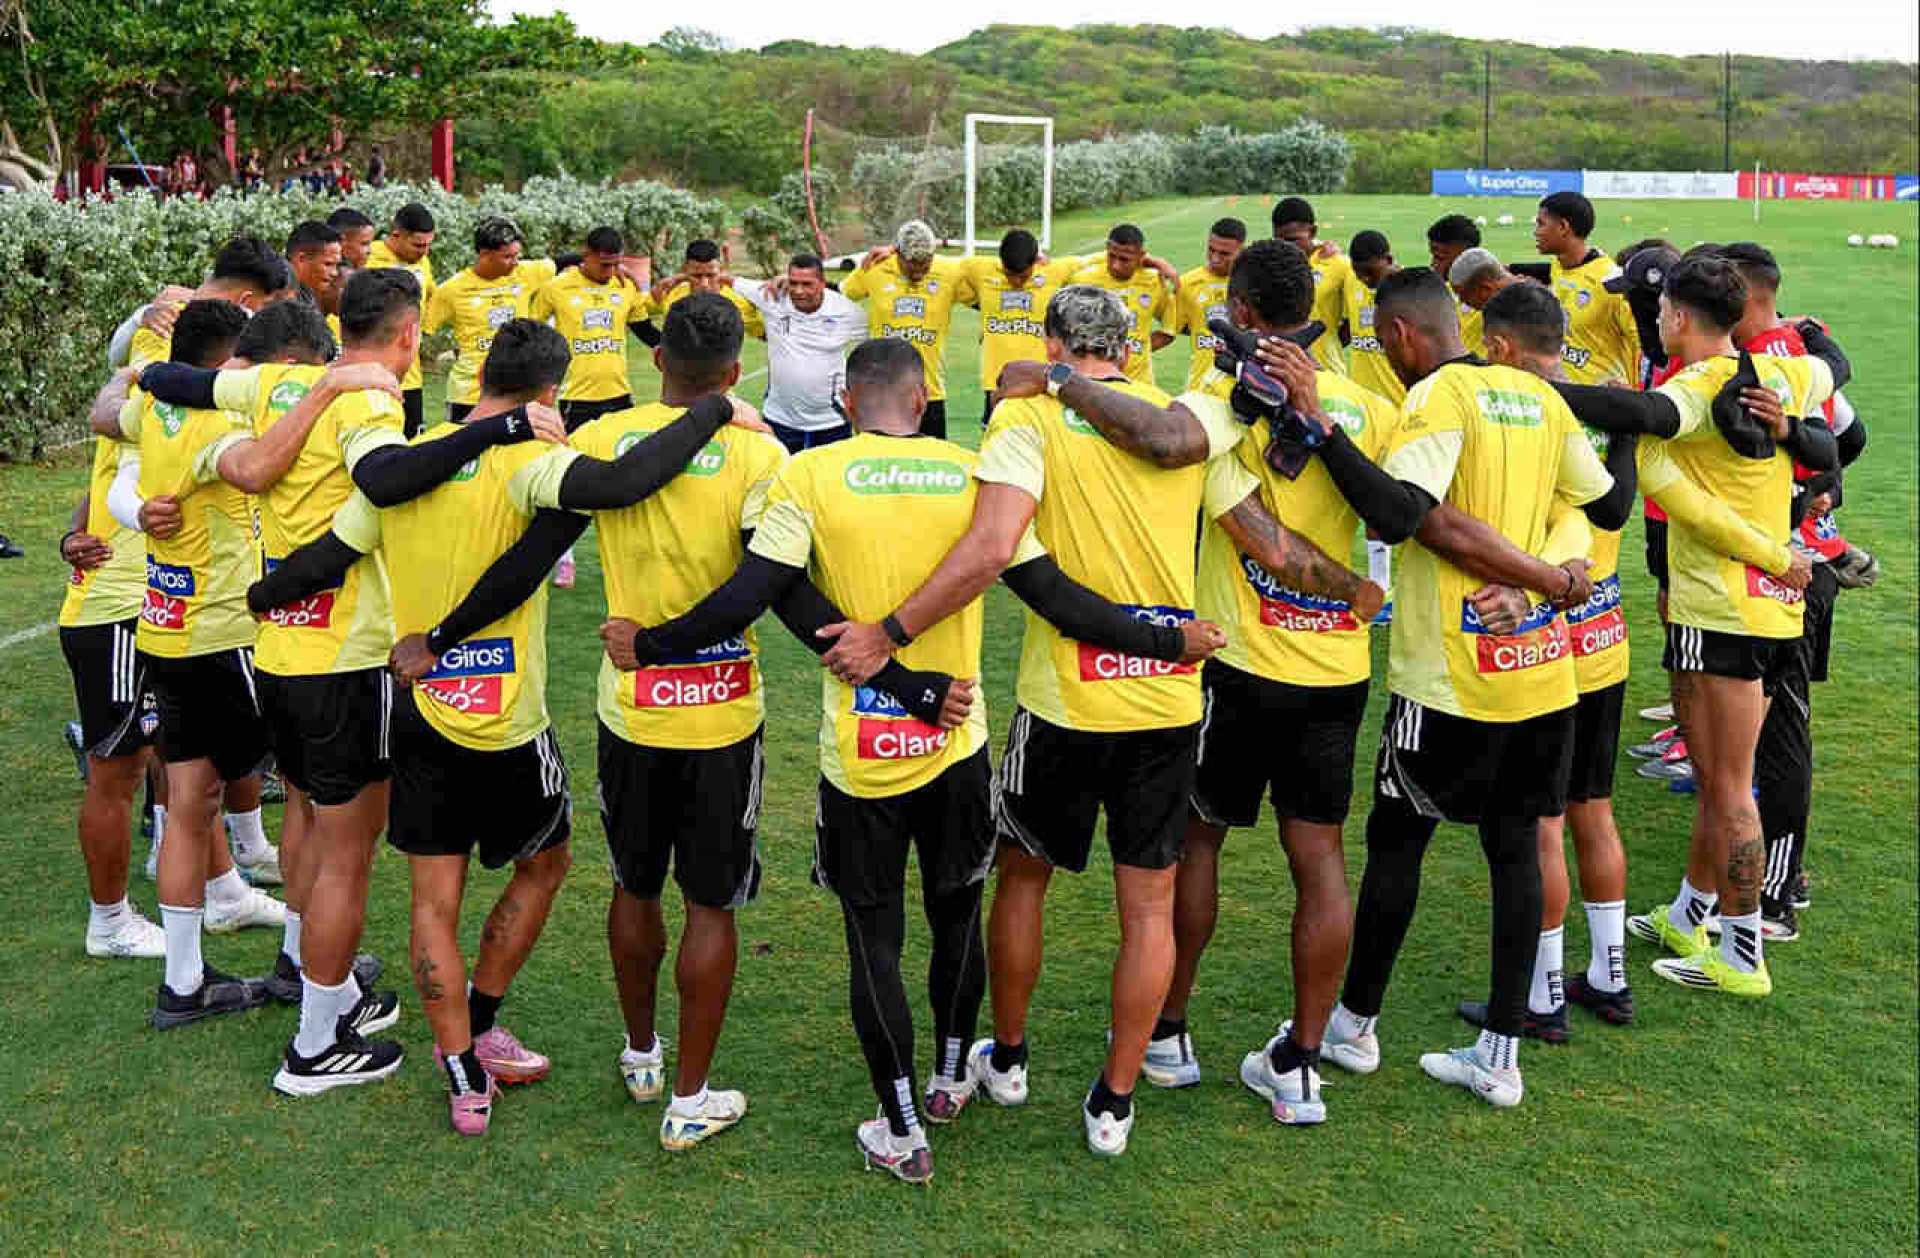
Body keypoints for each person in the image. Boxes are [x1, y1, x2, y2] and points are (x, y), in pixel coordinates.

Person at [604, 334, 1226, 1179]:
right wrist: (1165, 637)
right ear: (925, 393)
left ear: (846, 404)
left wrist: (654, 642)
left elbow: (764, 590)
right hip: (956, 748)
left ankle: (900, 1125)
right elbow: (1051, 594)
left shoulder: (807, 475)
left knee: (876, 939)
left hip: (860, 760)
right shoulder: (974, 472)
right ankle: (948, 1075)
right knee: (957, 915)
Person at [817, 286, 1360, 1157]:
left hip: (1063, 702)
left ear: (1053, 342)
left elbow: (996, 549)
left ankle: (1014, 1056)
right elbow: (1271, 544)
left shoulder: (1026, 415)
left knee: (1023, 879)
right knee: (1146, 907)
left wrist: (891, 633)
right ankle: (1115, 1099)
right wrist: (1353, 590)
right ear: (1135, 346)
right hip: (1168, 700)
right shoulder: (1187, 421)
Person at [254, 316, 774, 1133]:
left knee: (434, 900)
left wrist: (259, 598)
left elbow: (327, 556)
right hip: (509, 724)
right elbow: (623, 483)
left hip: (422, 713)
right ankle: (484, 1019)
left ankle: (463, 1072)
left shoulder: (411, 459)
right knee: (546, 863)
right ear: (547, 393)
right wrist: (712, 413)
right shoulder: (534, 462)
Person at [135, 268, 566, 1093]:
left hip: (282, 656)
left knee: (304, 818)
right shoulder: (368, 401)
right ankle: (315, 1047)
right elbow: (385, 483)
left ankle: (309, 976)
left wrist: (146, 355)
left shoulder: (264, 384)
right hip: (349, 657)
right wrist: (498, 430)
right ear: (408, 336)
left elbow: (165, 379)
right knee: (345, 859)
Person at [1263, 266, 1632, 1109]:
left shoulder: (1441, 396)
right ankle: (1501, 1053)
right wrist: (1553, 577)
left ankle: (1355, 1025)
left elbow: (1402, 512)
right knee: (1515, 850)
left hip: (1448, 681)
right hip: (1541, 674)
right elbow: (1603, 506)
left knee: (1398, 846)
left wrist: (1322, 429)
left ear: (1397, 338)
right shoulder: (1546, 400)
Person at [1545, 255, 1843, 998]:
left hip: (1726, 610)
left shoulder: (1698, 384)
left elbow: (1653, 423)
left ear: (1679, 316)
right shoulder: (1788, 374)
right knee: (1719, 782)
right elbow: (1833, 387)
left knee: (1730, 789)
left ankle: (1741, 955)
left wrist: (1550, 388)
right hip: (1766, 612)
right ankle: (1691, 914)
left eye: (1664, 312)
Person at [1146, 239, 1391, 1124]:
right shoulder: (1364, 404)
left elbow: (1263, 541)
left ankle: (1168, 1034)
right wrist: (1357, 595)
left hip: (1239, 668)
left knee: (1196, 845)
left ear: (1240, 310)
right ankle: (1302, 1062)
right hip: (1337, 672)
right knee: (1319, 859)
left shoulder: (1215, 405)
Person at [104, 300, 289, 1029]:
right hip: (223, 637)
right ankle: (309, 969)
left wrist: (137, 373)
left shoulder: (154, 412)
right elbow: (253, 471)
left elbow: (104, 410)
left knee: (186, 807)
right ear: (225, 364)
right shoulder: (222, 423)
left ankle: (185, 982)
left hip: (165, 631)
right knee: (310, 792)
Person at [1723, 242, 1869, 936]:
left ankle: (1780, 893)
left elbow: (1838, 448)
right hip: (1795, 562)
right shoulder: (1802, 356)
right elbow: (1853, 436)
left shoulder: (1770, 365)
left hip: (1789, 575)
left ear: (1744, 296)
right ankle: (1782, 876)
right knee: (1772, 729)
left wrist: (1805, 487)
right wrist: (1819, 481)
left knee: (1782, 734)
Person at [59, 419, 164, 959]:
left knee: (161, 750)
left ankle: (178, 867)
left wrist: (72, 532)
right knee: (115, 773)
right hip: (115, 617)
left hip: (139, 611)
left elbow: (97, 483)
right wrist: (73, 538)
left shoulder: (143, 402)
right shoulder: (140, 399)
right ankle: (109, 922)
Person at [424, 216, 563, 426]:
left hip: (517, 391)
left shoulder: (525, 273)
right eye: (507, 257)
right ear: (485, 255)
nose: (515, 262)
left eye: (518, 255)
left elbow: (564, 262)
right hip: (468, 395)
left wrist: (623, 265)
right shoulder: (452, 290)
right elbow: (424, 331)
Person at [731, 254, 869, 453]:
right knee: (781, 477)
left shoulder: (847, 312)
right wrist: (678, 279)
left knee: (827, 481)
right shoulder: (772, 296)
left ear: (822, 283)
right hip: (780, 418)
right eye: (793, 283)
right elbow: (728, 280)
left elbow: (879, 332)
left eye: (807, 284)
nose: (798, 291)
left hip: (830, 420)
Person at [840, 221, 963, 439]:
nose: (919, 270)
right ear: (897, 253)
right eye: (912, 264)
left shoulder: (949, 271)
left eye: (925, 264)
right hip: (880, 392)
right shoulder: (875, 268)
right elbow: (838, 295)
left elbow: (991, 270)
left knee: (932, 466)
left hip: (928, 393)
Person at [527, 226, 653, 434]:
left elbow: (645, 330)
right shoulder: (556, 288)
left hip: (619, 394)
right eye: (605, 265)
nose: (611, 272)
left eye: (616, 265)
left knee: (621, 461)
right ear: (586, 255)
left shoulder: (624, 286)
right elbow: (531, 332)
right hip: (575, 397)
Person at [953, 229, 1081, 424]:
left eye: (1022, 276)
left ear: (1035, 262)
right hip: (996, 382)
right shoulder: (981, 270)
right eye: (1009, 274)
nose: (1016, 282)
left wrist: (1144, 258)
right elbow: (939, 264)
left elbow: (1093, 261)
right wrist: (894, 251)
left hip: (1040, 380)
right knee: (995, 444)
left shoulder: (1053, 272)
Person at [1532, 190, 1640, 386]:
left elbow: (1646, 345)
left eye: (1541, 224)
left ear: (1563, 227)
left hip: (1604, 403)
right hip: (1565, 396)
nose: (1535, 231)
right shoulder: (1559, 266)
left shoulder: (1610, 282)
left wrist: (1637, 393)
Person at [1067, 224, 1177, 386]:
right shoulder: (1082, 281)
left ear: (1141, 256)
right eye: (1112, 256)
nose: (1115, 265)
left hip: (1140, 383)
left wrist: (1138, 350)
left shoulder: (1154, 282)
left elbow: (1168, 330)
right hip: (1095, 382)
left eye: (1124, 259)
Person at [367, 203, 437, 437]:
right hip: (372, 373)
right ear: (396, 235)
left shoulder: (423, 262)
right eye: (418, 245)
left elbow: (430, 299)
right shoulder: (370, 256)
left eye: (428, 244)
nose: (424, 251)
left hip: (410, 377)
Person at [1270, 196, 1351, 373]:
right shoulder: (1268, 264)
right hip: (1280, 373)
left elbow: (1354, 320)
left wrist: (1328, 342)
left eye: (1293, 240)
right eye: (1280, 240)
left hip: (1328, 373)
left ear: (1313, 232)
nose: (1286, 247)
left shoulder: (1338, 265)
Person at [1170, 218, 1247, 391]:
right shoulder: (1187, 283)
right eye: (1211, 250)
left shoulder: (1253, 282)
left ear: (1241, 251)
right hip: (1200, 387)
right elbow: (1174, 327)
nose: (1215, 258)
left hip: (1243, 388)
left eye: (1224, 254)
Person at [645, 239, 765, 342]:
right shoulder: (671, 295)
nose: (704, 284)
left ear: (721, 269)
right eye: (697, 276)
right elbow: (641, 313)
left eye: (711, 275)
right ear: (685, 270)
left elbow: (767, 335)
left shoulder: (740, 302)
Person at [1427, 214, 1485, 354]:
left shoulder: (1496, 296)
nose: (1433, 265)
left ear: (1464, 255)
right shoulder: (1440, 292)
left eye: (1439, 257)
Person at [286, 220, 343, 306]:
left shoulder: (306, 294)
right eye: (328, 264)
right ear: (302, 259)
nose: (334, 273)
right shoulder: (277, 295)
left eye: (336, 265)